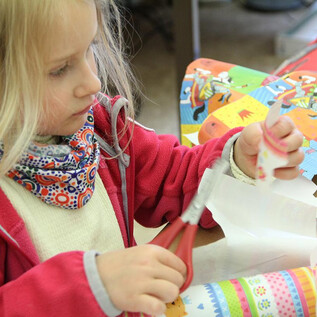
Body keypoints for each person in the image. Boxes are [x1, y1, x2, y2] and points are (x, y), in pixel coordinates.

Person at [0, 0, 304, 316]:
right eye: (60, 69)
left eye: (90, 47)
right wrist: (94, 284)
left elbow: (177, 178)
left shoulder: (102, 129)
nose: (93, 82)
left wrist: (238, 160)